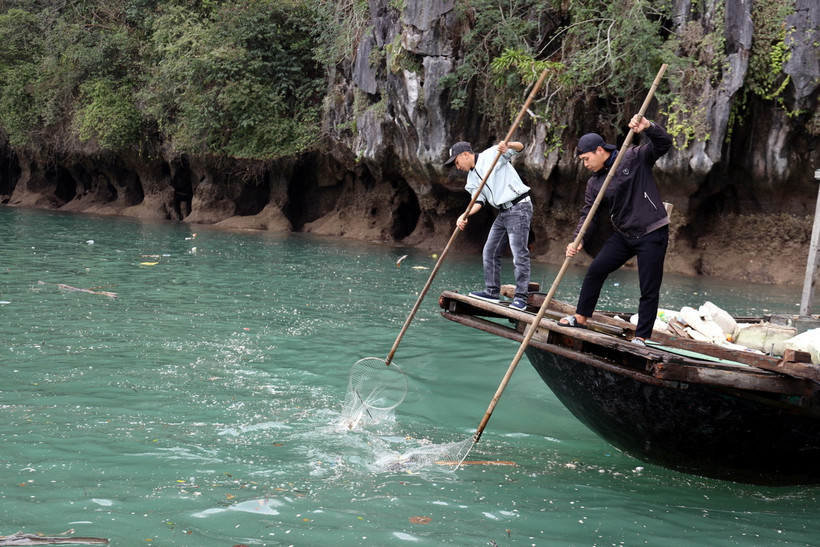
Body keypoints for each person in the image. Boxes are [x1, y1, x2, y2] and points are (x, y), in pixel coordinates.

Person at [559, 115, 673, 345]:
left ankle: (641, 337)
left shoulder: (632, 157)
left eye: (586, 158)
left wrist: (648, 127)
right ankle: (581, 317)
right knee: (596, 270)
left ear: (600, 150)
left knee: (648, 287)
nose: (585, 164)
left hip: (652, 231)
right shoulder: (594, 183)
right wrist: (577, 239)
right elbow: (588, 213)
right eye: (581, 160)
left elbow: (664, 144)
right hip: (624, 234)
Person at [445, 140, 532, 311]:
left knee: (519, 253)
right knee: (489, 251)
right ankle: (492, 292)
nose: (457, 167)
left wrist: (509, 145)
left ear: (465, 154)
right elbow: (478, 200)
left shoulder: (491, 154)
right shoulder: (471, 179)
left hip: (519, 207)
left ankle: (521, 298)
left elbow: (521, 147)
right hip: (503, 212)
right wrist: (465, 214)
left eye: (456, 162)